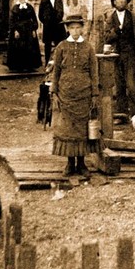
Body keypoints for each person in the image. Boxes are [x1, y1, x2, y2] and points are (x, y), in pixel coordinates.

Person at [50, 14, 99, 177]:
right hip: (66, 93)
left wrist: (94, 94)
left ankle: (82, 164)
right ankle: (70, 164)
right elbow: (56, 70)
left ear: (82, 29)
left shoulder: (88, 47)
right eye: (72, 27)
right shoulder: (61, 47)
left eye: (78, 27)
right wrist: (54, 92)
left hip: (84, 93)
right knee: (67, 128)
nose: (75, 30)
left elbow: (94, 71)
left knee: (82, 129)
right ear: (67, 29)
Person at [6, 0, 42, 72]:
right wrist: (15, 31)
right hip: (18, 30)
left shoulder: (29, 7)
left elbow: (34, 19)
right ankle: (19, 66)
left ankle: (29, 66)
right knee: (19, 47)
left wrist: (34, 29)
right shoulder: (15, 8)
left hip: (28, 30)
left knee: (29, 46)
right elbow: (12, 21)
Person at [37, 0, 67, 66]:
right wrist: (46, 22)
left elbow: (61, 12)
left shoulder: (59, 0)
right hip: (48, 27)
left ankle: (58, 62)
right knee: (47, 45)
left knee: (59, 45)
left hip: (58, 26)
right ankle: (47, 63)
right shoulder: (44, 1)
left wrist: (58, 19)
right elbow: (40, 15)